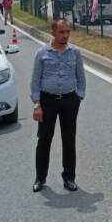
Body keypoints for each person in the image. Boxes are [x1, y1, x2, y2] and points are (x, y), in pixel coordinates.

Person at [31, 19, 87, 193]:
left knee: (69, 140)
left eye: (68, 32)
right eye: (62, 32)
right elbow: (35, 82)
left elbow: (81, 76)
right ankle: (40, 178)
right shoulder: (42, 53)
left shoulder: (75, 52)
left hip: (70, 100)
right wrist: (37, 105)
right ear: (53, 33)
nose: (65, 35)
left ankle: (69, 178)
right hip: (47, 102)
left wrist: (79, 96)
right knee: (44, 140)